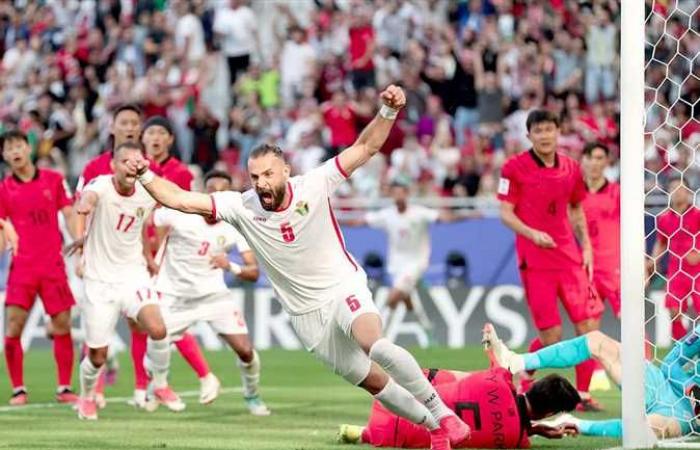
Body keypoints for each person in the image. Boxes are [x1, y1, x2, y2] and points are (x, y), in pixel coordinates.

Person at [128, 85, 471, 450]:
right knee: (372, 381)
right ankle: (436, 429)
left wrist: (387, 112)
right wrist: (146, 176)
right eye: (255, 176)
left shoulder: (314, 184)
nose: (262, 184)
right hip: (306, 316)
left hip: (342, 286)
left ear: (285, 170)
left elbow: (366, 148)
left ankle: (445, 414)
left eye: (269, 175)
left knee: (375, 344)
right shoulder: (241, 206)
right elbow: (180, 199)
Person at [497, 110, 603, 409]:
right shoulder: (513, 168)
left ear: (558, 132)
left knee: (587, 328)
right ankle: (524, 372)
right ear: (529, 135)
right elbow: (505, 213)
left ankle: (583, 394)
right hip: (536, 261)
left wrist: (587, 248)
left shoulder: (571, 168)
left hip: (569, 258)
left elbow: (577, 208)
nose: (545, 135)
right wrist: (532, 234)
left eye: (549, 129)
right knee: (552, 336)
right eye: (538, 130)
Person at [69, 141, 182, 420]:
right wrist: (84, 208)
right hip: (99, 281)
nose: (130, 166)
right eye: (124, 161)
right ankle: (86, 396)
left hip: (133, 275)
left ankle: (160, 383)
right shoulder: (101, 185)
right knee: (97, 356)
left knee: (158, 328)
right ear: (113, 166)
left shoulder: (147, 189)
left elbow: (170, 200)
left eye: (136, 161)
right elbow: (88, 198)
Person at [152, 170, 269, 414]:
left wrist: (231, 265)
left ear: (229, 194)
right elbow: (151, 220)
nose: (215, 194)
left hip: (214, 297)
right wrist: (150, 257)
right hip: (176, 297)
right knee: (154, 347)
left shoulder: (235, 225)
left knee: (245, 351)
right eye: (211, 189)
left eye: (221, 189)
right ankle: (159, 387)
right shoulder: (180, 214)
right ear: (203, 192)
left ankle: (252, 395)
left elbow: (253, 272)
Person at [483, 322, 698, 440]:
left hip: (683, 415)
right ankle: (514, 361)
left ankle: (576, 423)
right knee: (597, 341)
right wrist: (689, 387)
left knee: (649, 429)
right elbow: (673, 361)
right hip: (664, 384)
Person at [0, 130, 78, 405]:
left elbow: (69, 212)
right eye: (9, 148)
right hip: (22, 268)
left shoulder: (54, 180)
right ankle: (18, 389)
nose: (15, 151)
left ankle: (64, 387)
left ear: (28, 147)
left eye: (18, 145)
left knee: (62, 324)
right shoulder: (3, 189)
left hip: (52, 265)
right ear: (5, 156)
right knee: (13, 326)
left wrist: (78, 238)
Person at [346, 180, 478, 337]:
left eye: (401, 192)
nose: (398, 196)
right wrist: (336, 222)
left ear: (407, 194)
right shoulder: (387, 214)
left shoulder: (418, 213)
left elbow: (443, 217)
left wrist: (467, 215)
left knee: (393, 296)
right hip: (396, 264)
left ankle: (378, 333)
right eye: (394, 193)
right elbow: (362, 221)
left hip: (416, 263)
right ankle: (425, 324)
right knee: (405, 297)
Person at [337, 367, 580, 449]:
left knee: (452, 381)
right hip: (389, 436)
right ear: (550, 413)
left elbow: (499, 400)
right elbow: (503, 425)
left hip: (391, 397)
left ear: (534, 385)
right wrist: (535, 429)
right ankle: (362, 433)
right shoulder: (518, 441)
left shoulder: (499, 377)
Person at [581, 142, 620, 392]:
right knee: (588, 327)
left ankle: (648, 381)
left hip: (616, 269)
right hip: (587, 271)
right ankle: (588, 386)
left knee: (633, 323)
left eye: (600, 158)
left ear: (606, 162)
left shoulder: (618, 192)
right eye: (591, 157)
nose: (595, 162)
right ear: (583, 160)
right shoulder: (575, 194)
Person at [648, 177, 700, 341]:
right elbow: (661, 242)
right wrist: (653, 261)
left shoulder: (698, 215)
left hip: (698, 272)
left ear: (689, 192)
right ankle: (684, 350)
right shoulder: (664, 219)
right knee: (673, 311)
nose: (677, 192)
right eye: (673, 189)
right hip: (676, 272)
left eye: (680, 188)